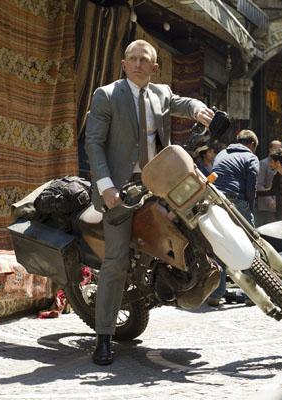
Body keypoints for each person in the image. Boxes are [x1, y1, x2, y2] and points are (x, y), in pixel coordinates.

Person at [85, 39, 214, 365]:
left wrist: (198, 109)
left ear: (155, 67)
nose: (139, 64)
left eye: (145, 60)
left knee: (198, 218)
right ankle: (103, 338)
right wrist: (105, 187)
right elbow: (94, 144)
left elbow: (181, 102)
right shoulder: (108, 95)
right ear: (124, 64)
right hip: (120, 189)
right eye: (133, 59)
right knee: (115, 262)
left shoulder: (160, 93)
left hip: (159, 183)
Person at [208, 129, 260, 306]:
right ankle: (251, 294)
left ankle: (216, 293)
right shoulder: (251, 157)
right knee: (251, 245)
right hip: (236, 201)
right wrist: (249, 210)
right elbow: (251, 188)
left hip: (214, 201)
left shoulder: (222, 153)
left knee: (220, 244)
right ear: (252, 144)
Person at [255, 140, 282, 226]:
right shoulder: (263, 163)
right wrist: (269, 200)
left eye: (280, 149)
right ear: (270, 150)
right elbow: (259, 184)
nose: (278, 151)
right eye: (275, 149)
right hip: (267, 207)